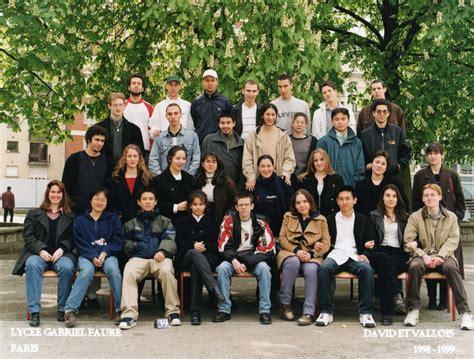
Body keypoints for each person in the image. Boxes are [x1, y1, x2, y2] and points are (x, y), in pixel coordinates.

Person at [404, 184, 472, 330]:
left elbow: (453, 240)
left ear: (440, 197)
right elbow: (408, 241)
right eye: (426, 195)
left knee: (452, 268)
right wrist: (423, 256)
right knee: (414, 266)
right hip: (422, 255)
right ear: (422, 198)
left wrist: (440, 256)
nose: (429, 198)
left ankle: (466, 313)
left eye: (433, 195)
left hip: (445, 255)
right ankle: (413, 310)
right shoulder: (415, 217)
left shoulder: (451, 217)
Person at [12, 180, 76, 327]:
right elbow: (28, 236)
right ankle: (34, 311)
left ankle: (62, 309)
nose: (55, 195)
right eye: (52, 192)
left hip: (61, 255)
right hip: (38, 254)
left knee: (67, 268)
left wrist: (62, 249)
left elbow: (73, 238)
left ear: (63, 194)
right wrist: (40, 249)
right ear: (48, 193)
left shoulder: (71, 216)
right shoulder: (34, 214)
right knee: (32, 265)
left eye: (58, 192)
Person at [412, 142, 466, 310]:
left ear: (443, 155)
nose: (433, 156)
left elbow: (460, 200)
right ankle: (432, 298)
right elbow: (415, 200)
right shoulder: (420, 175)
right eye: (430, 153)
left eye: (436, 153)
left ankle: (444, 299)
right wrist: (418, 220)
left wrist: (455, 219)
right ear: (427, 156)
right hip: (427, 224)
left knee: (445, 260)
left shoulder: (451, 175)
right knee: (429, 258)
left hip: (447, 226)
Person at [119, 189, 181, 329]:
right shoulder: (130, 224)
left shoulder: (165, 221)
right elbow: (123, 243)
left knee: (167, 271)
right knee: (128, 272)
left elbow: (170, 239)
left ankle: (173, 312)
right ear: (139, 202)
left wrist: (163, 251)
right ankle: (129, 315)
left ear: (155, 202)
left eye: (151, 199)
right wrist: (135, 246)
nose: (148, 202)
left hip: (159, 258)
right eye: (144, 199)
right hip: (138, 258)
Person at [316, 186, 376, 328]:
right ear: (337, 201)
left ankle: (366, 312)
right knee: (324, 268)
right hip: (335, 254)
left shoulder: (363, 219)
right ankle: (326, 311)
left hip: (355, 255)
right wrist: (320, 248)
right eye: (341, 199)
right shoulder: (329, 220)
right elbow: (323, 240)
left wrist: (366, 254)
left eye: (348, 199)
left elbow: (371, 240)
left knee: (367, 270)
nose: (345, 202)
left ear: (354, 200)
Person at [64, 188, 123, 327]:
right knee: (86, 272)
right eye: (97, 198)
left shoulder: (113, 219)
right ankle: (70, 309)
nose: (99, 202)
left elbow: (117, 241)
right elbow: (79, 242)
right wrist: (92, 256)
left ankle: (121, 309)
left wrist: (104, 252)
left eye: (103, 200)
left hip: (108, 255)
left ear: (107, 203)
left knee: (113, 270)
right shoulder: (80, 221)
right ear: (90, 201)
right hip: (86, 255)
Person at [214, 192, 276, 325]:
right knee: (222, 269)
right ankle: (224, 310)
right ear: (236, 207)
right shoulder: (229, 220)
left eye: (246, 205)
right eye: (240, 205)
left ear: (252, 206)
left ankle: (264, 311)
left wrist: (248, 262)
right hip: (234, 258)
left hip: (253, 258)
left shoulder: (260, 222)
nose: (243, 208)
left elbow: (269, 248)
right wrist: (234, 260)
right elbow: (223, 245)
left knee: (264, 269)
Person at [277, 189, 330, 325]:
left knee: (312, 270)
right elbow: (282, 238)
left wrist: (313, 252)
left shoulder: (321, 219)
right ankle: (285, 305)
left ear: (310, 202)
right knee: (293, 262)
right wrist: (296, 250)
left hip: (311, 255)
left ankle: (308, 312)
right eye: (298, 202)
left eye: (305, 201)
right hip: (291, 253)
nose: (302, 205)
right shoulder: (288, 216)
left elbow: (326, 243)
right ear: (294, 205)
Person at [175, 191, 224, 325]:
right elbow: (178, 242)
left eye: (201, 204)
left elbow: (216, 243)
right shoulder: (181, 222)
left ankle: (195, 312)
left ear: (205, 206)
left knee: (196, 266)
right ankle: (213, 288)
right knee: (193, 253)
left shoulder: (212, 222)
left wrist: (202, 246)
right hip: (186, 256)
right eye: (195, 204)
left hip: (207, 257)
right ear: (190, 206)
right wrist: (193, 245)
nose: (198, 207)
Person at [368, 185, 409, 325]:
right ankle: (395, 298)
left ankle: (386, 311)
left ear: (398, 198)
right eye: (388, 195)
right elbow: (371, 236)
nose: (391, 199)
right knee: (385, 260)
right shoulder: (374, 215)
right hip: (380, 251)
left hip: (399, 252)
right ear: (382, 198)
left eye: (394, 196)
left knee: (389, 264)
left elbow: (409, 238)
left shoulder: (404, 216)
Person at [242, 103, 296, 191]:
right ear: (262, 115)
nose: (270, 117)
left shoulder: (283, 135)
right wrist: (250, 176)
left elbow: (289, 158)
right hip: (258, 181)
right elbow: (247, 159)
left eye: (273, 114)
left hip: (278, 180)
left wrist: (286, 173)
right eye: (267, 114)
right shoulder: (253, 135)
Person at [62, 125, 109, 215]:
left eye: (102, 141)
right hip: (77, 213)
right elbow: (66, 187)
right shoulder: (74, 159)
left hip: (100, 214)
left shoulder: (108, 162)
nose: (100, 143)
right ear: (88, 140)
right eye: (97, 140)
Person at [360, 99, 411, 177]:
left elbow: (405, 152)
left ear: (388, 113)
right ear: (374, 113)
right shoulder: (365, 135)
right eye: (379, 111)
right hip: (372, 178)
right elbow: (360, 156)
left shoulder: (397, 131)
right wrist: (367, 166)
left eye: (385, 111)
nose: (382, 114)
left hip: (393, 176)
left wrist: (399, 166)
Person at [317, 108, 365, 187]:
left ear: (348, 120)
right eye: (337, 119)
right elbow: (319, 166)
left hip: (350, 185)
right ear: (332, 121)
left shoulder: (356, 142)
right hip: (329, 186)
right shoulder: (324, 142)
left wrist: (355, 182)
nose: (340, 122)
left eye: (343, 119)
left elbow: (360, 168)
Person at [149, 103, 200, 176]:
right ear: (166, 116)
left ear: (181, 115)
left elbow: (196, 160)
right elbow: (153, 160)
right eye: (170, 114)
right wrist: (161, 179)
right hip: (165, 181)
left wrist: (187, 178)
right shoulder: (159, 138)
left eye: (176, 113)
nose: (173, 117)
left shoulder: (192, 136)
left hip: (185, 182)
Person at [108, 144, 153, 224]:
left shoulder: (147, 178)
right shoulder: (116, 178)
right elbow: (112, 200)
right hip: (121, 222)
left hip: (142, 222)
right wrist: (117, 215)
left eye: (135, 156)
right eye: (129, 156)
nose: (132, 159)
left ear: (139, 158)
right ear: (124, 158)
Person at [96, 92, 145, 166]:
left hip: (127, 169)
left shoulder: (134, 130)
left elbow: (140, 154)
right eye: (115, 105)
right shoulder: (99, 128)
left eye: (120, 105)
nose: (118, 108)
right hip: (104, 168)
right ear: (109, 106)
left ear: (124, 106)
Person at [250, 155, 292, 239]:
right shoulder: (253, 185)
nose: (266, 169)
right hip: (262, 233)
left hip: (283, 231)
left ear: (274, 167)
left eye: (269, 166)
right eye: (262, 166)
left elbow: (291, 205)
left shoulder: (283, 182)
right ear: (258, 168)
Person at [151, 145, 194, 225]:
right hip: (166, 223)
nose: (181, 162)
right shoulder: (158, 181)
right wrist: (176, 207)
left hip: (187, 224)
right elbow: (156, 203)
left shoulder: (190, 179)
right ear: (170, 159)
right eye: (178, 158)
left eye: (184, 159)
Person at [355, 150, 407, 216]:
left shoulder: (396, 184)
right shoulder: (360, 185)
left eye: (383, 164)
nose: (379, 166)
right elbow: (357, 209)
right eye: (377, 162)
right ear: (372, 163)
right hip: (366, 223)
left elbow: (403, 205)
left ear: (386, 167)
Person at [296, 149, 344, 217]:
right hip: (310, 219)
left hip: (331, 219)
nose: (319, 163)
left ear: (326, 161)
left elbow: (340, 201)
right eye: (315, 160)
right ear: (312, 162)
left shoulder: (337, 179)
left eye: (321, 159)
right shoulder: (304, 180)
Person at [201, 112, 244, 187]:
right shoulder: (209, 140)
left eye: (228, 123)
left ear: (234, 123)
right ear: (219, 124)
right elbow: (201, 163)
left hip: (235, 185)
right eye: (222, 123)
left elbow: (243, 167)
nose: (225, 126)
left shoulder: (242, 143)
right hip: (212, 185)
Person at [193, 152, 237, 224]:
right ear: (202, 164)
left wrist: (229, 214)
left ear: (217, 164)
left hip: (220, 218)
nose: (211, 164)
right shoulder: (196, 180)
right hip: (200, 217)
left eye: (214, 162)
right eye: (208, 161)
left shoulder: (227, 182)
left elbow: (235, 201)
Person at [191, 69, 232, 143]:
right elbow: (195, 122)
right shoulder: (197, 101)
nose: (210, 83)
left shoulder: (224, 101)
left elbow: (229, 122)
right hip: (201, 142)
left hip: (220, 142)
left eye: (212, 80)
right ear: (203, 82)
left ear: (217, 82)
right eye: (207, 80)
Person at [149, 74, 193, 139]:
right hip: (164, 142)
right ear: (166, 86)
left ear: (180, 86)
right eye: (170, 85)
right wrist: (155, 131)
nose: (173, 88)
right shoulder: (159, 106)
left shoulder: (187, 105)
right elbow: (153, 125)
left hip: (183, 142)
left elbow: (191, 126)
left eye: (175, 85)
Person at [123, 74, 154, 158]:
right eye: (133, 83)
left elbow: (152, 130)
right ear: (129, 87)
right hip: (125, 150)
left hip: (144, 150)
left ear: (142, 88)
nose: (136, 85)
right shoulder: (122, 106)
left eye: (139, 84)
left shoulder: (149, 107)